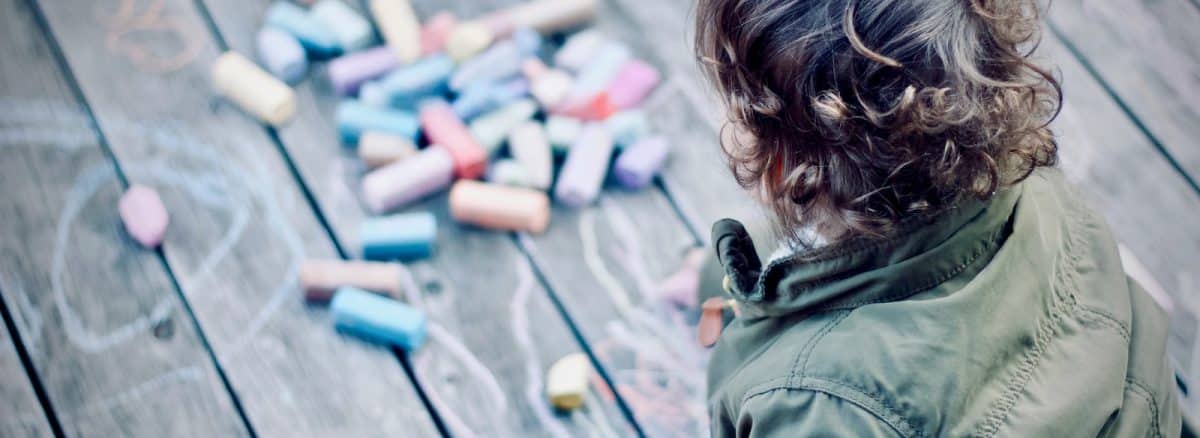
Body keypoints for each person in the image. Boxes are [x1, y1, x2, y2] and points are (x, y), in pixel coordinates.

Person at [691, 0, 1182, 436]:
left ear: (780, 168)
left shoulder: (816, 410)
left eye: (730, 100)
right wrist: (720, 274)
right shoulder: (1027, 185)